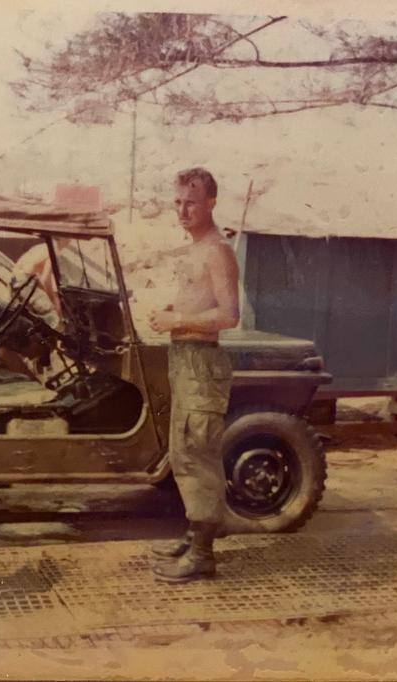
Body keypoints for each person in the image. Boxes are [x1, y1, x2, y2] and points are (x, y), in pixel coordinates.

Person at [148, 167, 240, 584]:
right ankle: (194, 534)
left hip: (201, 363)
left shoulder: (217, 249)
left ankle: (203, 554)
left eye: (192, 202)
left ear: (211, 204)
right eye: (178, 202)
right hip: (185, 360)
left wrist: (177, 319)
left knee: (198, 454)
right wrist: (170, 315)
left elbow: (229, 315)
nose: (183, 210)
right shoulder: (195, 248)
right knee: (184, 452)